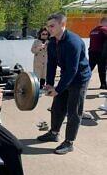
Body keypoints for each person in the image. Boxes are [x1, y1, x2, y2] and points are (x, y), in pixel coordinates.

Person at [37, 13, 92, 155]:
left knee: (74, 111)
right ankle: (54, 133)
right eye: (48, 26)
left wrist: (59, 88)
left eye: (52, 26)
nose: (49, 29)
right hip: (66, 76)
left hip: (79, 78)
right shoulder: (52, 43)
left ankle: (69, 142)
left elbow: (73, 69)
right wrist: (49, 84)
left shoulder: (73, 42)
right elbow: (51, 65)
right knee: (57, 107)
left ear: (62, 25)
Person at [88, 17, 107, 89]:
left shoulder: (93, 30)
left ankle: (80, 81)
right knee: (102, 69)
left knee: (89, 68)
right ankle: (103, 84)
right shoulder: (104, 29)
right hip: (100, 53)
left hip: (92, 52)